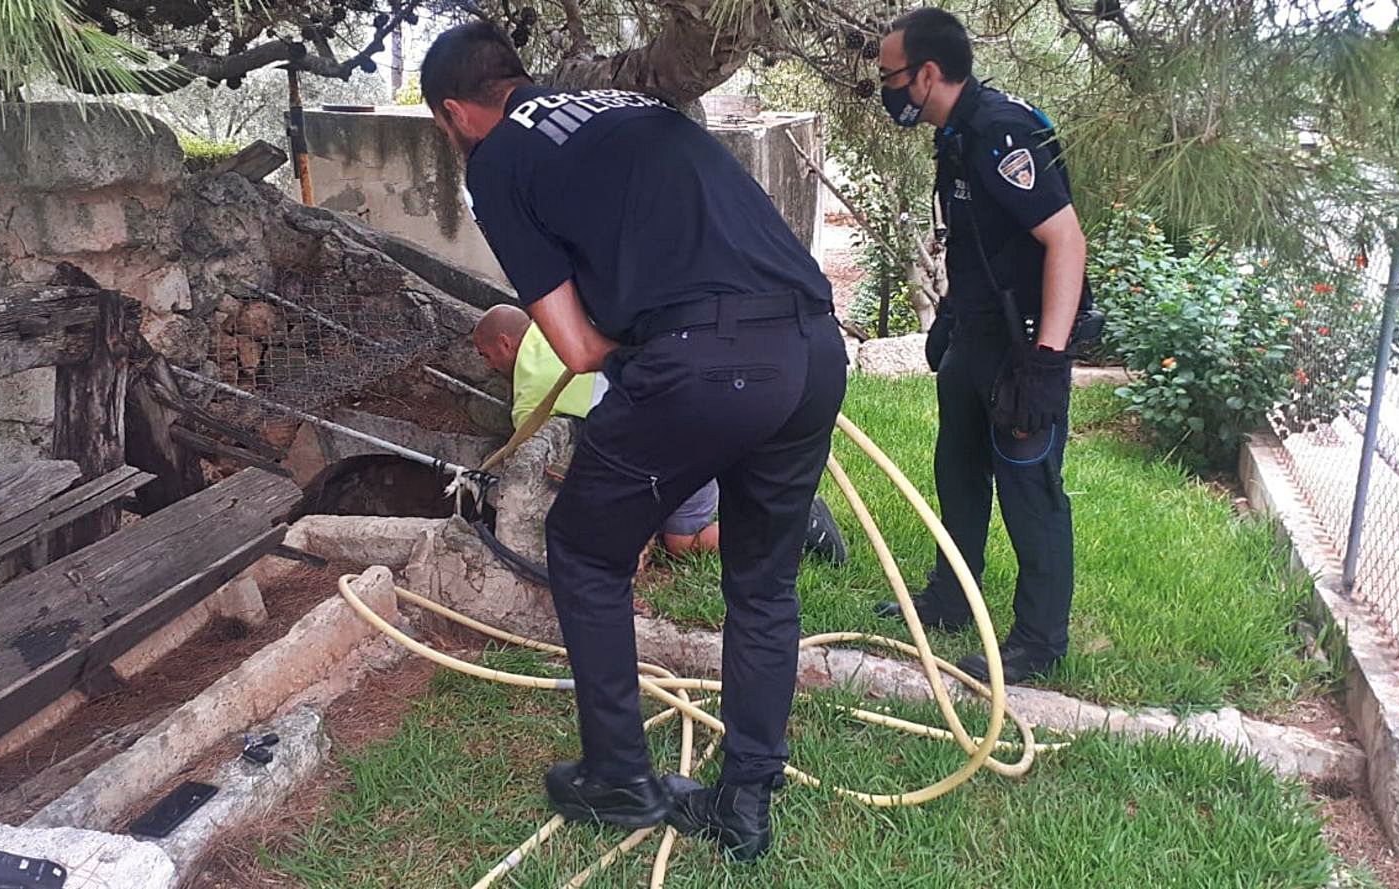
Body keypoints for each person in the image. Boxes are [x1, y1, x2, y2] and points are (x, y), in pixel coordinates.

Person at [421, 22, 847, 859]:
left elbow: (576, 348)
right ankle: (743, 802)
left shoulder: (499, 159)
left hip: (705, 360)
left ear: (455, 112)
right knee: (761, 584)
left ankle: (618, 775)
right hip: (813, 344)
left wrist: (671, 350)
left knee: (582, 547)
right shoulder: (619, 106)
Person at [872, 9, 1088, 684]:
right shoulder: (957, 133)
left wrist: (1046, 360)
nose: (885, 88)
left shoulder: (1000, 131)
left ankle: (1038, 638)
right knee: (957, 470)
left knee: (1029, 489)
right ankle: (949, 597)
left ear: (927, 73)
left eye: (890, 76)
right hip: (975, 332)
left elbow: (1065, 241)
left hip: (1022, 346)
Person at [472, 303, 848, 561]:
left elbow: (526, 455)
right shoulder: (560, 327)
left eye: (487, 356)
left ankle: (791, 524)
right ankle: (772, 499)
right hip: (704, 397)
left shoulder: (529, 387)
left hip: (675, 425)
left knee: (682, 542)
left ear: (505, 343)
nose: (489, 367)